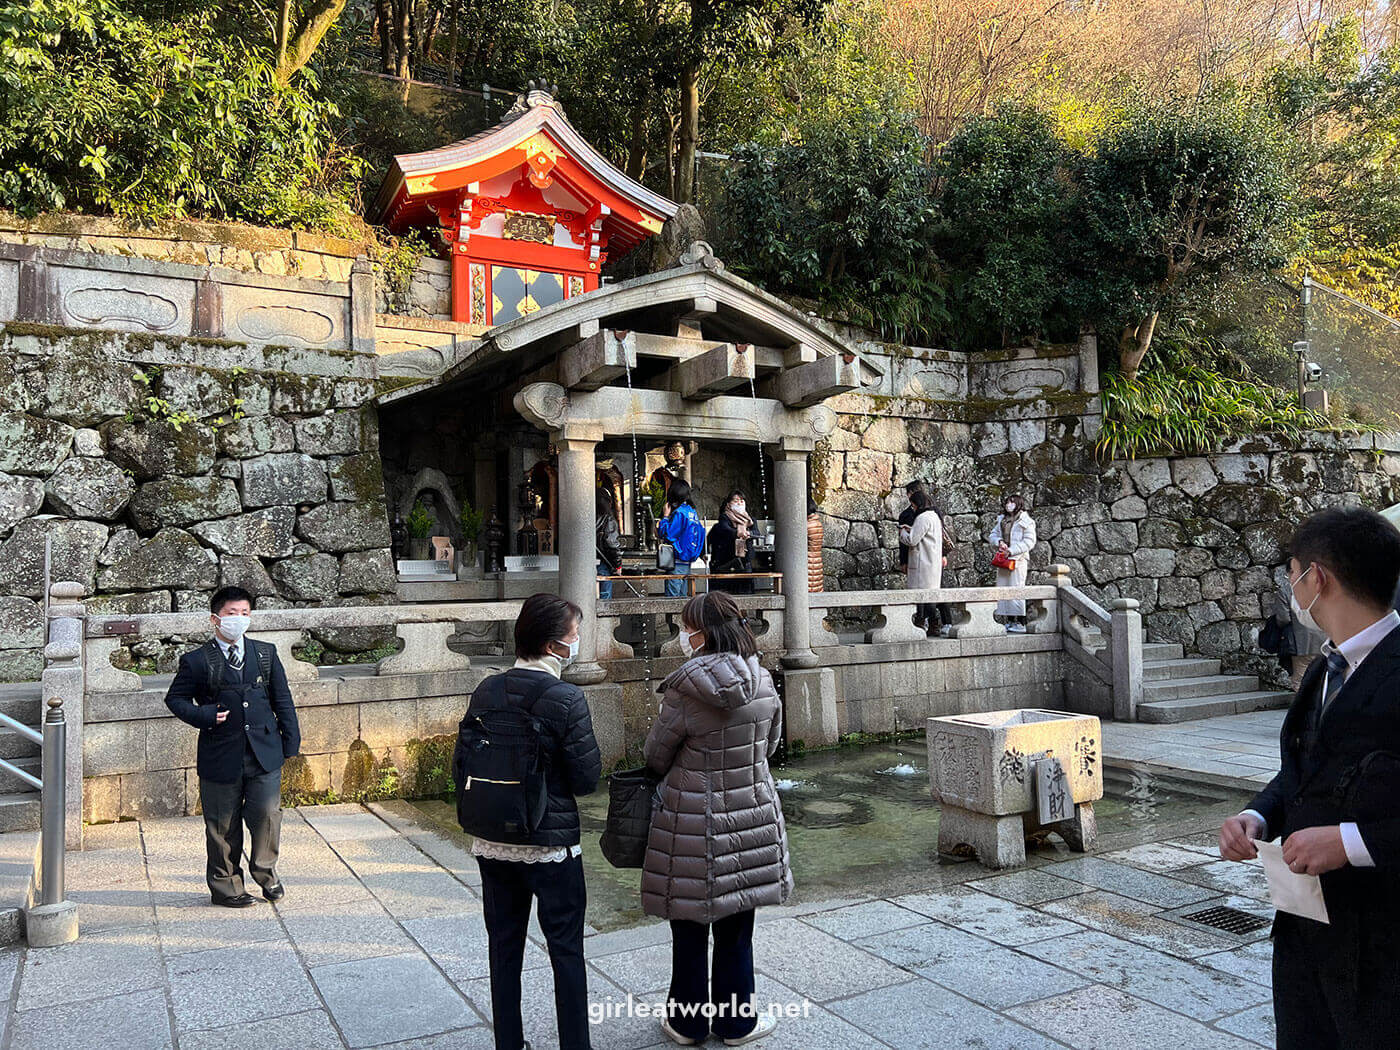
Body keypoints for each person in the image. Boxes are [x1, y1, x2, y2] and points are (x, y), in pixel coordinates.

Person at [1218, 507, 1400, 1050]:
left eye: (1294, 574)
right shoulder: (1326, 667)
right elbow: (1301, 770)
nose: (1293, 589)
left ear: (1316, 578)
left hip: (1382, 941)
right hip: (1303, 924)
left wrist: (1350, 843)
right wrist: (1257, 815)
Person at [642, 591, 791, 1047]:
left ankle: (686, 1024)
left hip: (691, 821)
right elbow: (769, 748)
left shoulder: (685, 689)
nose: (683, 635)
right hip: (751, 817)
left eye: (687, 627)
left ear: (701, 635)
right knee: (737, 929)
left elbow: (654, 755)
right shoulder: (764, 679)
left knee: (688, 928)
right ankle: (736, 1024)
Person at [454, 593, 602, 1050]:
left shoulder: (487, 688)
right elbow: (585, 779)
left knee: (503, 947)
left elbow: (462, 760)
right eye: (574, 637)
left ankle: (509, 1043)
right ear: (555, 646)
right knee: (565, 950)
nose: (576, 643)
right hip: (549, 842)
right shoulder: (565, 697)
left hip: (493, 838)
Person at [163, 586, 300, 908]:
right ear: (215, 619)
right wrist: (205, 715)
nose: (238, 620)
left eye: (244, 613)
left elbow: (282, 699)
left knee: (267, 815)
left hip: (264, 751)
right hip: (220, 754)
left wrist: (290, 742)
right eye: (231, 614)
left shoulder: (265, 654)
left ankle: (266, 873)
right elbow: (175, 699)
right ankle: (226, 886)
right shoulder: (196, 661)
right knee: (222, 825)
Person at [1268, 565, 1325, 691]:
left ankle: (1302, 709)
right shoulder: (1318, 588)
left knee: (1299, 680)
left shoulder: (1286, 591)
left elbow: (1284, 619)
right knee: (1322, 680)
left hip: (1301, 642)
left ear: (1289, 572)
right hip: (1323, 639)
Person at [989, 494, 1037, 633]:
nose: (1009, 504)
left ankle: (1021, 621)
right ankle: (1009, 620)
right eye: (1007, 502)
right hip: (1004, 558)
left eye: (1012, 502)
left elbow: (1029, 541)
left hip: (1018, 559)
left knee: (1017, 589)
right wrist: (999, 542)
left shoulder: (1026, 521)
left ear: (1018, 504)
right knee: (1004, 590)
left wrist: (1012, 550)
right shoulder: (1002, 520)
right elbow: (993, 534)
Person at [900, 490, 943, 634]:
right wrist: (912, 530)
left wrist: (903, 532)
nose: (912, 508)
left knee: (921, 596)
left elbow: (912, 540)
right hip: (932, 560)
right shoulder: (934, 516)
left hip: (922, 562)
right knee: (930, 595)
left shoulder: (922, 518)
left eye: (913, 504)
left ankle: (924, 623)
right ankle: (933, 624)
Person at [658, 479, 706, 598]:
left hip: (677, 559)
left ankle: (673, 617)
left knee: (673, 598)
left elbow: (668, 533)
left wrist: (664, 518)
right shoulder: (692, 512)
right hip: (688, 560)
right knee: (683, 596)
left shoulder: (679, 513)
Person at [708, 489, 753, 595]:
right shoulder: (724, 518)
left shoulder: (749, 520)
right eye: (736, 500)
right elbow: (725, 529)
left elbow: (755, 531)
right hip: (727, 564)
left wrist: (749, 534)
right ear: (728, 504)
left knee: (745, 596)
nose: (739, 503)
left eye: (742, 501)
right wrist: (738, 533)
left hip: (744, 563)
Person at [596, 488, 622, 600]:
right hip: (603, 562)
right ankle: (605, 618)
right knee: (604, 595)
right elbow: (612, 544)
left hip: (586, 562)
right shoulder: (608, 519)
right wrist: (618, 565)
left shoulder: (586, 516)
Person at [807, 497, 824, 594]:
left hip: (808, 563)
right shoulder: (818, 523)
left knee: (810, 591)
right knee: (816, 589)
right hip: (817, 561)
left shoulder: (806, 525)